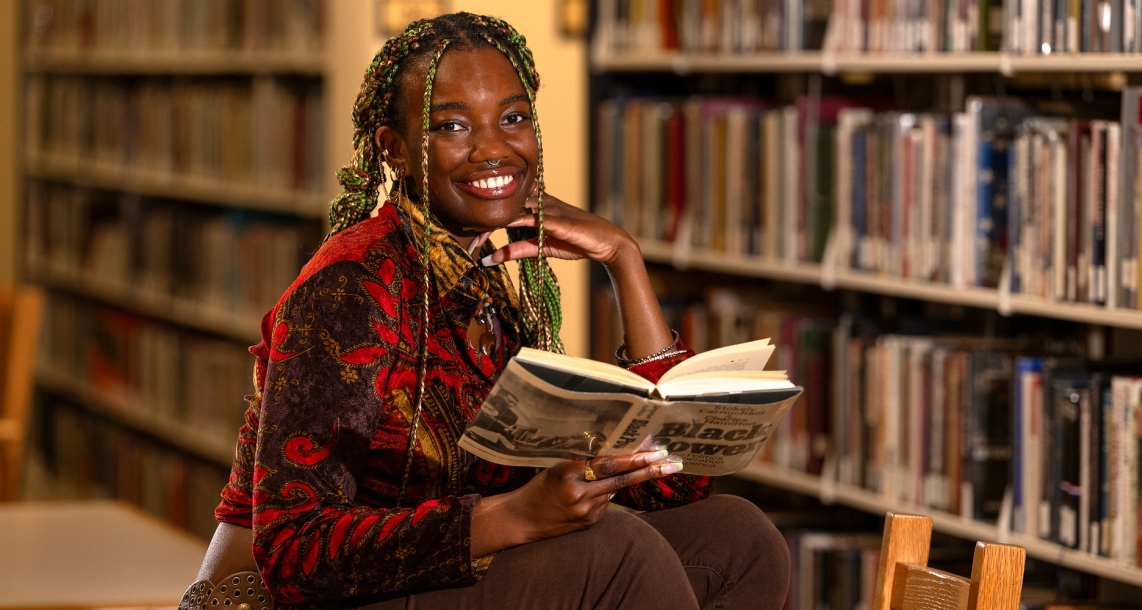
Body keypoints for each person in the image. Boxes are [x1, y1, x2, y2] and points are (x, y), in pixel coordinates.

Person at [202, 13, 789, 610]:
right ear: (396, 151)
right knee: (612, 550)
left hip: (434, 576)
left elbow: (677, 489)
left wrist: (623, 258)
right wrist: (516, 514)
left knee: (737, 537)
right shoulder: (352, 286)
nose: (493, 150)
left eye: (513, 118)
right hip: (293, 598)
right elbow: (294, 552)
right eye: (453, 126)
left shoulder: (485, 279)